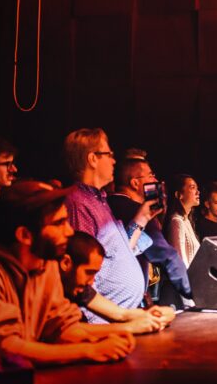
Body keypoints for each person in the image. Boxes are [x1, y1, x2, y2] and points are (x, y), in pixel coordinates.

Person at [0, 180, 135, 365]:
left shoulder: (45, 264)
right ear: (24, 235)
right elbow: (5, 348)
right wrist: (89, 350)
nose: (69, 231)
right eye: (59, 223)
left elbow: (61, 326)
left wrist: (105, 338)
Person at [63, 128, 155, 322]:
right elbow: (82, 276)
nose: (114, 161)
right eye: (109, 154)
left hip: (124, 318)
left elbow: (117, 254)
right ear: (92, 159)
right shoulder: (78, 203)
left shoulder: (99, 200)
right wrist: (114, 321)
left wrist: (143, 218)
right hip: (105, 324)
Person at [107, 152, 192, 303]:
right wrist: (192, 291)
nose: (156, 181)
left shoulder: (106, 205)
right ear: (135, 183)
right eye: (151, 175)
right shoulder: (136, 212)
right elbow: (166, 256)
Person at [59, 231, 175, 334]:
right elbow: (67, 331)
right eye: (89, 272)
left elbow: (120, 314)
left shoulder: (79, 288)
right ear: (66, 263)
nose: (91, 281)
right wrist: (129, 328)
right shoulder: (52, 288)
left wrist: (156, 314)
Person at [163, 174, 201, 268]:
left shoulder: (186, 220)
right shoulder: (176, 221)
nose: (198, 192)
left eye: (197, 188)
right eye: (192, 187)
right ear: (179, 194)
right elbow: (180, 262)